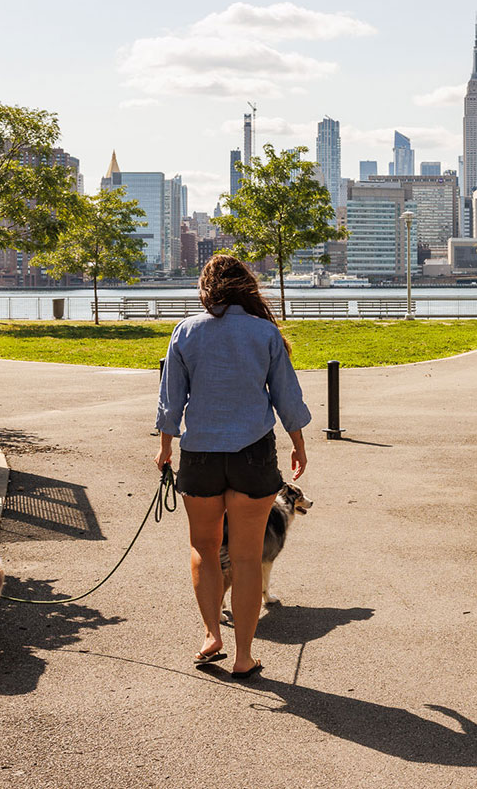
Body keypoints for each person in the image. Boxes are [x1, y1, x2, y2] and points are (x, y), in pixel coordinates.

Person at [155, 254, 310, 680]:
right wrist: (298, 444)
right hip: (253, 455)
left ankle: (210, 635)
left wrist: (166, 446)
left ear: (206, 289)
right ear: (247, 287)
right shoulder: (265, 332)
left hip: (201, 454)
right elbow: (287, 396)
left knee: (204, 548)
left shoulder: (186, 331)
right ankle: (244, 656)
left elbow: (171, 398)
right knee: (245, 557)